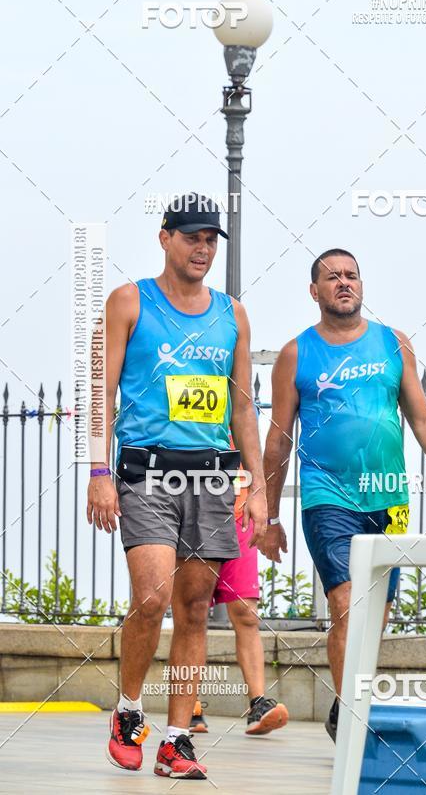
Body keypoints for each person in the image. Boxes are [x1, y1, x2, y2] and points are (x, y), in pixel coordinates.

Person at [87, 194, 267, 779]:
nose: (203, 249)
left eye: (212, 240)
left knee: (194, 609)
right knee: (153, 597)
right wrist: (98, 473)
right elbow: (100, 395)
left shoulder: (232, 314)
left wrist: (257, 486)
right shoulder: (129, 301)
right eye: (192, 237)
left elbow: (243, 410)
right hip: (146, 472)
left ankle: (176, 740)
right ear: (165, 238)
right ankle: (129, 711)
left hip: (211, 474)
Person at [259, 248, 426, 741]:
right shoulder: (296, 354)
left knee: (376, 616)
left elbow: (422, 419)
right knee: (346, 604)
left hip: (388, 498)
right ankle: (353, 726)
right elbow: (279, 439)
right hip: (328, 497)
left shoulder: (394, 344)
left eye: (351, 275)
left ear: (362, 285)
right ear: (315, 291)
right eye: (332, 277)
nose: (344, 283)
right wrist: (268, 516)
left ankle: (347, 704)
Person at [189, 468, 289, 736]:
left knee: (246, 613)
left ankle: (258, 704)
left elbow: (258, 454)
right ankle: (189, 706)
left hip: (239, 514)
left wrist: (264, 508)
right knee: (191, 613)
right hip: (192, 509)